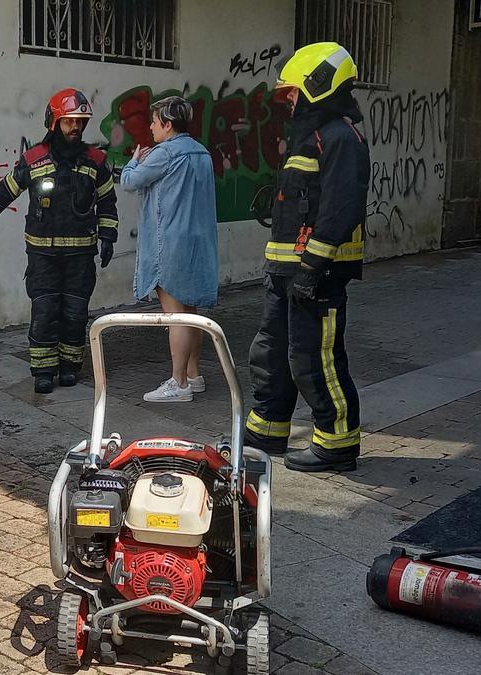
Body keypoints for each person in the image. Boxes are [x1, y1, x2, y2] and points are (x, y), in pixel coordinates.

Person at [244, 42, 369, 473]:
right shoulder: (311, 137)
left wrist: (313, 267)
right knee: (272, 353)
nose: (291, 100)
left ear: (318, 85)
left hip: (319, 273)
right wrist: (283, 271)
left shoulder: (340, 138)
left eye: (295, 91)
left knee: (316, 358)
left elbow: (339, 210)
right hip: (286, 272)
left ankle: (336, 444)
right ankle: (267, 430)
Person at [0, 88, 119, 394]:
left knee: (74, 314)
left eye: (80, 122)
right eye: (69, 121)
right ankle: (43, 371)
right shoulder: (33, 160)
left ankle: (70, 367)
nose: (76, 128)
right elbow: (3, 193)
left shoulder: (96, 161)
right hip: (42, 256)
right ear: (54, 122)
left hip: (81, 257)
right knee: (44, 313)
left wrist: (108, 237)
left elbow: (108, 203)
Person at [119, 95, 218, 404]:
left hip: (170, 243)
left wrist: (134, 159)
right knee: (190, 314)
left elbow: (130, 181)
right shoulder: (201, 152)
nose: (150, 127)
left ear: (168, 124)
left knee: (175, 315)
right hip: (197, 241)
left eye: (154, 121)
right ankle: (194, 375)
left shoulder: (165, 153)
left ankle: (178, 383)